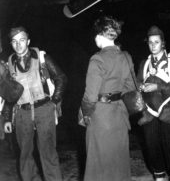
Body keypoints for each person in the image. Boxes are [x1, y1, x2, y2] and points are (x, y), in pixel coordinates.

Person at [7, 26, 67, 181]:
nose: (18, 45)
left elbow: (61, 78)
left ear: (28, 41)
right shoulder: (9, 64)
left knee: (48, 153)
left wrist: (53, 102)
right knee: (25, 155)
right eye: (14, 41)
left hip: (43, 109)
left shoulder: (41, 57)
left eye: (22, 40)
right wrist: (7, 118)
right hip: (22, 112)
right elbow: (8, 93)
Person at [81, 16, 136, 181]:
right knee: (118, 163)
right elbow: (130, 89)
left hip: (100, 117)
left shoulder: (97, 59)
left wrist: (85, 113)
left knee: (98, 164)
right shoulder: (126, 57)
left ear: (99, 35)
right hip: (119, 115)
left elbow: (90, 96)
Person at [137, 26, 170, 181]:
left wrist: (158, 86)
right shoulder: (144, 64)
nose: (153, 45)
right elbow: (137, 82)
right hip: (150, 113)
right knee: (152, 148)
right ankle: (159, 176)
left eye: (156, 42)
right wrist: (139, 86)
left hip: (169, 111)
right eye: (150, 42)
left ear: (163, 43)